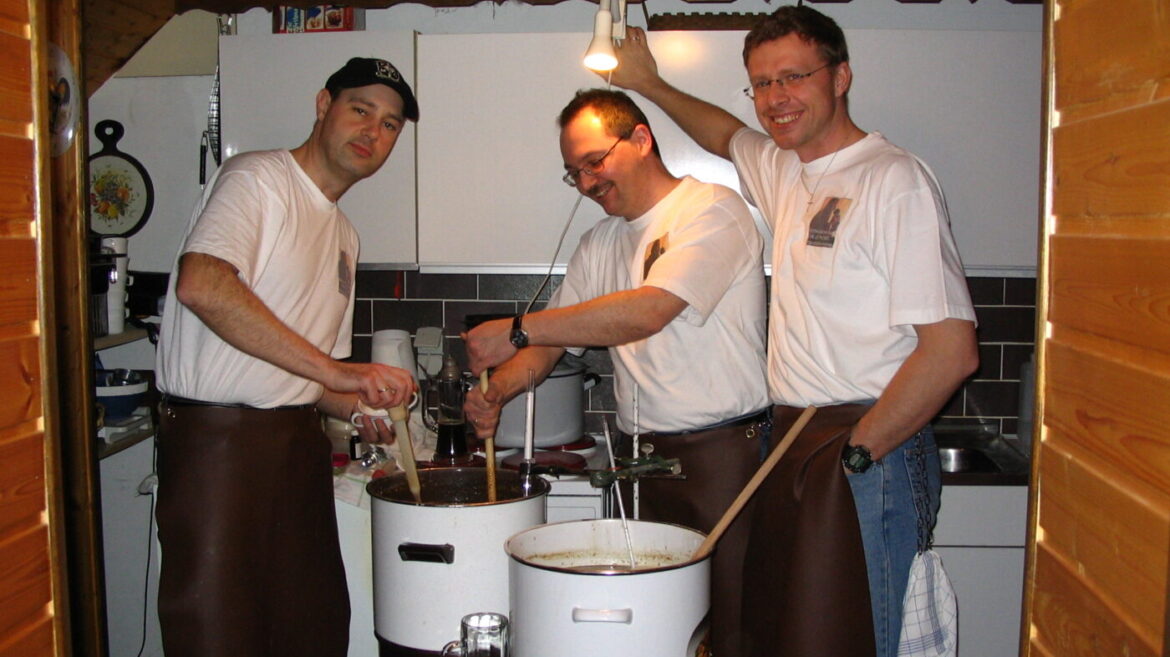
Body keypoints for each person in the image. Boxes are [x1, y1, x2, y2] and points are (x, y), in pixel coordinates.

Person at [607, 8, 979, 657]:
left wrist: (858, 454)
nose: (776, 97)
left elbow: (951, 350)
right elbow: (725, 135)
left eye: (794, 77)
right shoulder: (786, 170)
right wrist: (649, 83)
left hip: (869, 446)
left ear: (840, 77)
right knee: (797, 635)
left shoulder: (893, 179)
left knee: (859, 637)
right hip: (794, 439)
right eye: (761, 83)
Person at [462, 88, 769, 657]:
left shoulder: (711, 210)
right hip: (640, 462)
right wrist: (498, 389)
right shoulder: (598, 242)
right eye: (574, 173)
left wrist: (519, 328)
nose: (586, 183)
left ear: (641, 139)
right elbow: (551, 345)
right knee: (653, 630)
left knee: (727, 627)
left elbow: (648, 311)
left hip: (723, 459)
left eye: (594, 162)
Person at [153, 57, 420, 657]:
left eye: (390, 125)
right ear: (323, 105)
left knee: (313, 626)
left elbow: (314, 376)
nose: (373, 132)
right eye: (360, 110)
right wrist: (339, 372)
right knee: (218, 634)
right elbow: (202, 284)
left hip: (296, 447)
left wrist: (358, 405)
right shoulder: (258, 179)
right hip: (218, 446)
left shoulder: (345, 236)